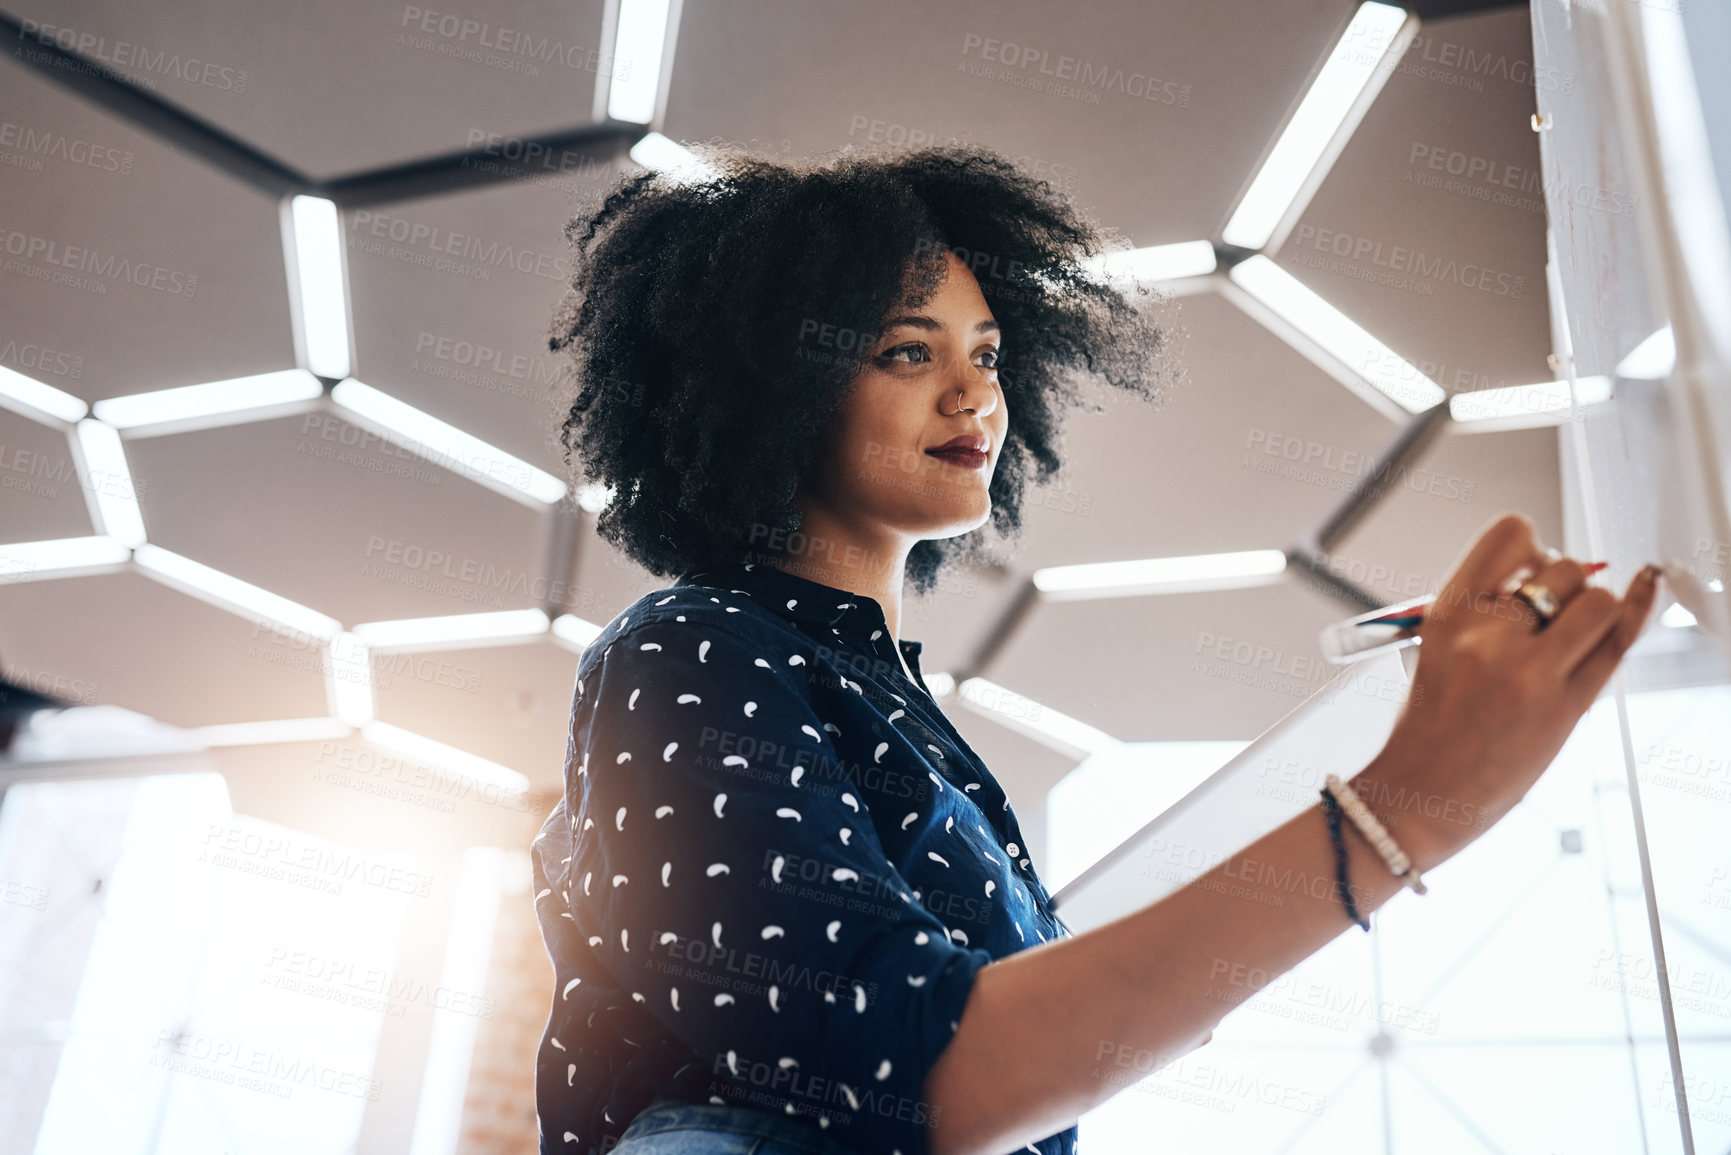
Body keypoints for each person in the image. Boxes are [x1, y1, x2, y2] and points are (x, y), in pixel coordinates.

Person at [528, 147, 1660, 1155]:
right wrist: (1410, 803)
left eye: (989, 351)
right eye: (908, 353)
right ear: (767, 390)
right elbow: (918, 1071)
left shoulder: (896, 714)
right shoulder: (686, 649)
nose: (976, 392)